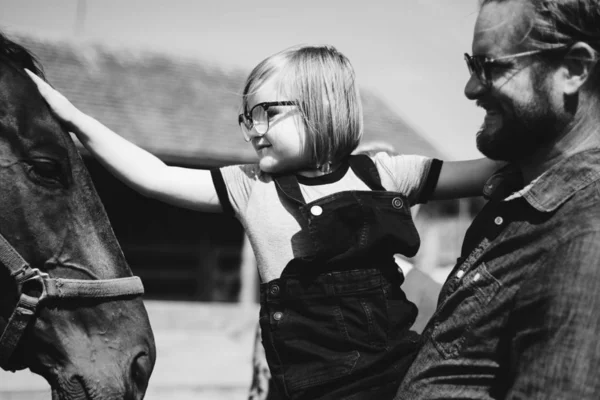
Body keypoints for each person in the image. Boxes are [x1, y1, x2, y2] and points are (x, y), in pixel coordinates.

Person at [27, 44, 500, 400]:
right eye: (247, 116)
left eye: (266, 113)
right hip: (308, 388)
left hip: (397, 378)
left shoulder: (387, 172)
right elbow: (156, 175)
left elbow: (493, 170)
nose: (254, 128)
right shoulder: (249, 186)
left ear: (320, 108)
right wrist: (72, 117)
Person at [396, 0, 600, 399]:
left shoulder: (585, 238)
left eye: (491, 67)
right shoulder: (517, 201)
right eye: (473, 65)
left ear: (574, 69)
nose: (471, 87)